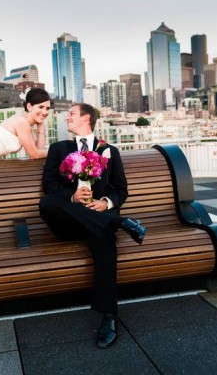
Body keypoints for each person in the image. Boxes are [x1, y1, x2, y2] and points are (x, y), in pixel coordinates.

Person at [39, 103, 146, 349]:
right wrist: (72, 197)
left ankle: (109, 317)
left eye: (72, 114)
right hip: (68, 222)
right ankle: (120, 222)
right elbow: (49, 185)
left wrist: (105, 203)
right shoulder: (59, 149)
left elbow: (120, 190)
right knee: (47, 204)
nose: (67, 117)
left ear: (86, 118)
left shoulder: (109, 150)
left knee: (104, 239)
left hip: (97, 220)